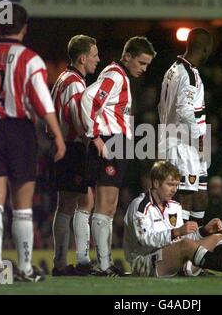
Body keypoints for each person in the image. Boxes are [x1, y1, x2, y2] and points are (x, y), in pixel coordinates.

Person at [0, 3, 66, 283]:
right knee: (22, 206)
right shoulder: (30, 59)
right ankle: (24, 268)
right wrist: (56, 134)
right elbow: (42, 100)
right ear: (24, 29)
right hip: (19, 131)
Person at [81, 36, 156, 276]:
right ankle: (102, 264)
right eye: (141, 63)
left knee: (110, 206)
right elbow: (87, 100)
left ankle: (104, 262)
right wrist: (95, 138)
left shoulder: (120, 76)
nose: (143, 69)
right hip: (110, 141)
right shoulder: (114, 75)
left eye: (147, 65)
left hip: (118, 142)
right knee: (104, 205)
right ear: (128, 57)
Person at [123, 161, 222, 278]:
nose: (174, 189)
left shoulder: (174, 206)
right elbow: (145, 240)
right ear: (156, 183)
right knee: (185, 244)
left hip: (171, 255)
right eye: (170, 184)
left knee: (217, 237)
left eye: (176, 185)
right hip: (143, 263)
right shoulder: (140, 206)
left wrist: (205, 231)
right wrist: (177, 232)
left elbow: (182, 239)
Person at [50, 35, 100, 276]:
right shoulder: (74, 82)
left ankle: (64, 262)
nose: (97, 60)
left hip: (64, 147)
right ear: (82, 58)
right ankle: (77, 261)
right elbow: (78, 118)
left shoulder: (63, 78)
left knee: (71, 204)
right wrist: (94, 138)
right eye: (94, 55)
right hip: (73, 148)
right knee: (76, 203)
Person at [158, 28, 213, 227]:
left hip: (181, 141)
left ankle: (193, 244)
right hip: (183, 143)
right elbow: (183, 109)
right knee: (185, 196)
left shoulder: (172, 70)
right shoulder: (187, 74)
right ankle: (182, 250)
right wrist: (199, 136)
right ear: (206, 48)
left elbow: (161, 106)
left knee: (200, 195)